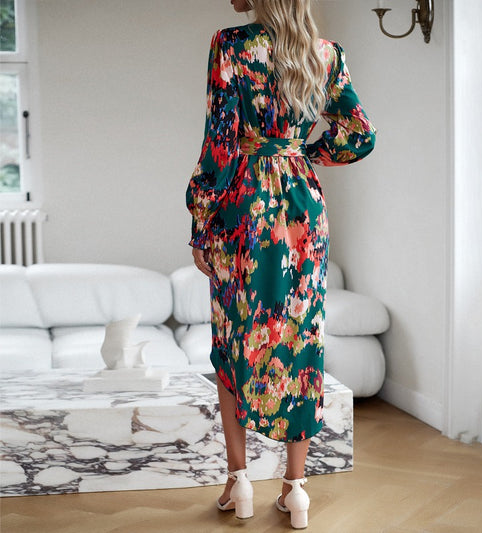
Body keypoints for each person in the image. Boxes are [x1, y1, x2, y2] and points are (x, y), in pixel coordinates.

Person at [186, 0, 375, 528]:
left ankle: (239, 481)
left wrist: (201, 221)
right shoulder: (326, 55)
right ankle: (296, 490)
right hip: (303, 210)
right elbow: (360, 134)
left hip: (244, 207)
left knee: (233, 338)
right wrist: (304, 155)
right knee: (300, 340)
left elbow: (219, 144)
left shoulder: (231, 46)